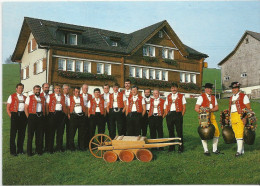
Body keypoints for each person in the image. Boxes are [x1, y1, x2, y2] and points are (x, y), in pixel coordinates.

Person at [195, 83, 221, 156]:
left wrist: (210, 110)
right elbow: (196, 108)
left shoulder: (213, 97)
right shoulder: (201, 97)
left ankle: (215, 149)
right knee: (204, 133)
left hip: (212, 116)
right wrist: (202, 112)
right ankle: (206, 150)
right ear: (205, 89)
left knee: (217, 132)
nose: (210, 90)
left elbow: (217, 108)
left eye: (210, 89)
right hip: (204, 116)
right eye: (208, 89)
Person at [228, 82, 251, 157]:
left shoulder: (244, 96)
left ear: (238, 88)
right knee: (235, 133)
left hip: (240, 115)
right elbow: (230, 108)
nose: (234, 90)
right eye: (233, 88)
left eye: (235, 88)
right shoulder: (231, 97)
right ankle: (242, 150)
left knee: (240, 133)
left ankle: (238, 151)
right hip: (233, 116)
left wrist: (245, 117)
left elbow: (248, 108)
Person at [164, 83, 186, 153]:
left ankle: (180, 146)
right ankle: (171, 147)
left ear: (177, 88)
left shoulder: (181, 96)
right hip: (170, 114)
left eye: (175, 88)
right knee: (170, 131)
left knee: (179, 131)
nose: (173, 89)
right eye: (172, 88)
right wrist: (167, 114)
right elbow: (166, 105)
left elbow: (184, 107)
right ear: (171, 89)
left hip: (178, 114)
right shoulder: (168, 96)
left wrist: (181, 115)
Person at [6, 83, 27, 156]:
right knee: (13, 134)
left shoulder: (25, 97)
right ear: (16, 89)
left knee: (22, 134)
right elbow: (8, 108)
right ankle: (13, 151)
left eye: (22, 88)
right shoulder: (11, 96)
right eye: (19, 88)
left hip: (23, 116)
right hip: (14, 115)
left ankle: (20, 150)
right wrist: (11, 116)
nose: (20, 89)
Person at [25, 85, 45, 156]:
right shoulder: (29, 97)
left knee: (39, 135)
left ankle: (39, 150)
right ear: (33, 90)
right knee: (30, 135)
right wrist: (29, 117)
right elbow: (26, 108)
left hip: (40, 117)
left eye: (39, 90)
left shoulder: (42, 98)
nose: (38, 91)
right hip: (32, 116)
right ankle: (29, 152)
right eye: (36, 90)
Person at [46, 84, 67, 153]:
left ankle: (59, 147)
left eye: (59, 89)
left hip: (61, 115)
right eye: (56, 88)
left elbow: (65, 106)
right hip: (52, 114)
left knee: (60, 132)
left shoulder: (63, 97)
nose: (58, 90)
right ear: (54, 89)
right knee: (51, 132)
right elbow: (47, 106)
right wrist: (48, 114)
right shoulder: (50, 96)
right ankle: (50, 148)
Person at [80, 84, 92, 149]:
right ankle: (81, 144)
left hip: (88, 114)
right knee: (82, 131)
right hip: (81, 114)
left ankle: (88, 144)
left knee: (88, 130)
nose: (85, 90)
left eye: (87, 88)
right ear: (82, 89)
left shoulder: (90, 96)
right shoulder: (79, 96)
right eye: (84, 88)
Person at [40, 83, 50, 152]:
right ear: (42, 88)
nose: (47, 89)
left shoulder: (50, 96)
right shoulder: (39, 96)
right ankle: (40, 148)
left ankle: (47, 147)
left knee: (48, 132)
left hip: (48, 116)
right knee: (40, 133)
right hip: (41, 116)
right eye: (45, 87)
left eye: (48, 87)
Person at [62, 84, 71, 150]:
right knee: (61, 131)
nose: (67, 90)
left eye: (68, 88)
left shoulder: (71, 97)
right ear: (63, 89)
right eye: (65, 88)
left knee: (69, 131)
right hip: (62, 115)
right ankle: (60, 146)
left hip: (69, 115)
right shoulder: (61, 96)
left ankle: (69, 145)